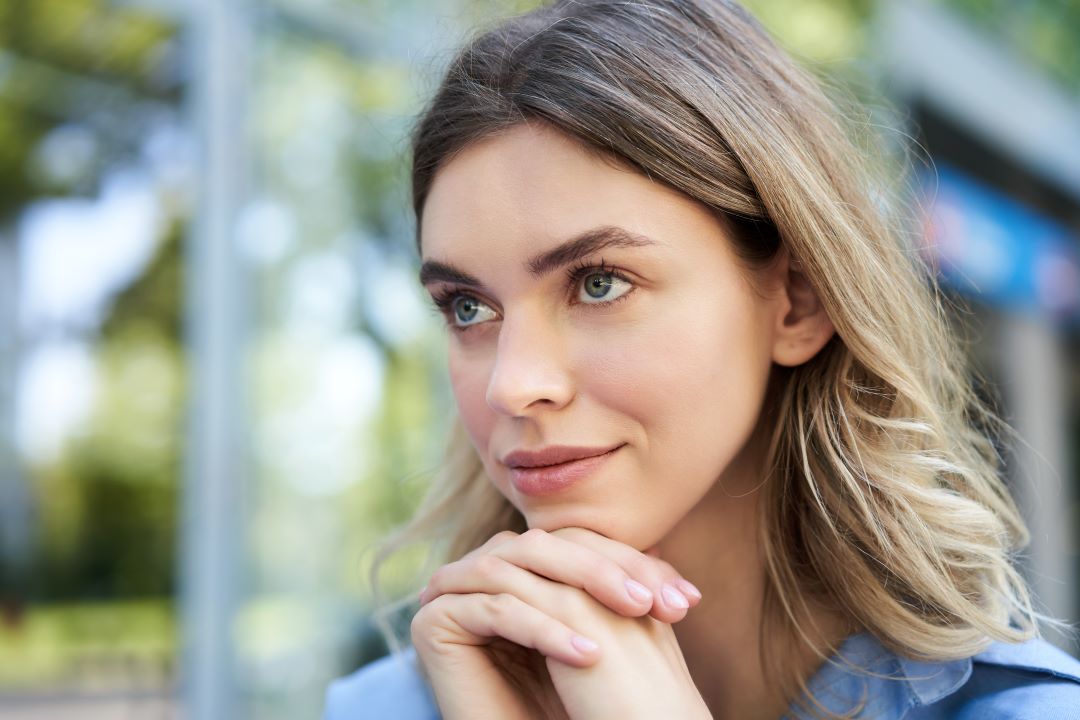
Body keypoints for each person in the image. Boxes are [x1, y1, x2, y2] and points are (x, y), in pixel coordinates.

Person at [325, 1, 1080, 717]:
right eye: (468, 307)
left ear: (797, 301)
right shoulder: (395, 707)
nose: (514, 385)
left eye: (599, 283)